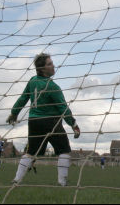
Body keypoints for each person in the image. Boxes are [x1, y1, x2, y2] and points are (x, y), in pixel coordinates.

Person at [7, 53, 81, 186]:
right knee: (64, 150)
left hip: (34, 122)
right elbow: (63, 108)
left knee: (30, 153)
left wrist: (14, 113)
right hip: (50, 122)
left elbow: (23, 98)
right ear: (42, 69)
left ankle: (16, 179)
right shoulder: (52, 86)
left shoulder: (32, 81)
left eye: (52, 63)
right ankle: (62, 182)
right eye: (49, 64)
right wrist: (74, 124)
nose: (53, 66)